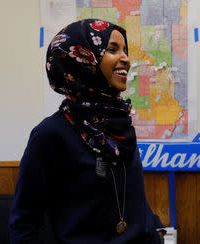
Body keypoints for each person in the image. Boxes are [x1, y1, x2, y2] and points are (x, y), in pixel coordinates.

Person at [9, 19, 164, 243]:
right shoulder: (50, 134)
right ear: (82, 58)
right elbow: (24, 223)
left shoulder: (120, 123)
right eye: (112, 49)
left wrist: (155, 230)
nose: (126, 59)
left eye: (125, 50)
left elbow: (132, 195)